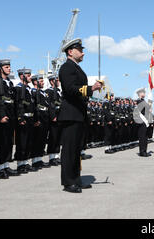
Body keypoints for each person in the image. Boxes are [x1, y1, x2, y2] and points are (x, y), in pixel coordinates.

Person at [58, 38, 104, 193]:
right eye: (80, 50)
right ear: (70, 52)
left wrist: (92, 89)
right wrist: (91, 88)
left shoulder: (76, 68)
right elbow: (71, 89)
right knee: (69, 150)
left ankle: (76, 179)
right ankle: (68, 182)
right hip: (70, 114)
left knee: (76, 150)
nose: (83, 53)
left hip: (78, 114)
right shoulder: (66, 68)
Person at [0, 59, 20, 179]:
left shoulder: (9, 83)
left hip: (10, 117)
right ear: (0, 68)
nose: (9, 68)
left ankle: (6, 165)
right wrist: (1, 115)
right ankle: (0, 168)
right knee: (1, 143)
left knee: (9, 142)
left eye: (9, 66)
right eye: (6, 67)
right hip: (2, 117)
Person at [46, 75, 62, 165]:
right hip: (54, 118)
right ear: (52, 81)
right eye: (57, 80)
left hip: (60, 117)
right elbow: (50, 105)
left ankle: (56, 155)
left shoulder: (59, 91)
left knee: (58, 137)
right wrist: (53, 116)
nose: (58, 82)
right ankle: (51, 157)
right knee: (53, 137)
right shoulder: (49, 91)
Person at [133, 88, 151, 157]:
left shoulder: (143, 101)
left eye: (144, 93)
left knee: (145, 137)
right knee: (142, 137)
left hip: (145, 121)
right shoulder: (138, 101)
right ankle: (142, 152)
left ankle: (144, 151)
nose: (144, 94)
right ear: (139, 94)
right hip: (141, 121)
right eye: (143, 93)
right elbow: (140, 112)